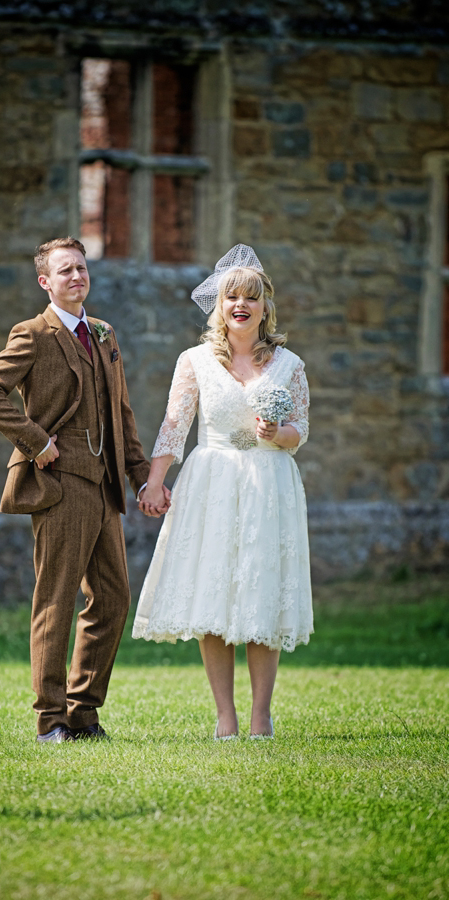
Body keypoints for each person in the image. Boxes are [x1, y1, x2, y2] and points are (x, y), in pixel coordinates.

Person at [0, 237, 170, 743]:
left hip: (104, 490)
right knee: (55, 601)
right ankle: (50, 720)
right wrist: (36, 443)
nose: (76, 276)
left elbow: (120, 413)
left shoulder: (103, 333)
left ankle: (83, 713)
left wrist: (140, 473)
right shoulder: (33, 334)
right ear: (46, 281)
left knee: (113, 600)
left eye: (81, 268)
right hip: (60, 485)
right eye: (65, 271)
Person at [133, 244, 313, 739]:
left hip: (268, 482)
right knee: (214, 595)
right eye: (231, 296)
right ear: (219, 305)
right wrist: (155, 480)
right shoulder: (193, 361)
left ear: (264, 308)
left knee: (261, 594)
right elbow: (174, 426)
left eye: (251, 298)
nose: (241, 305)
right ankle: (225, 717)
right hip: (211, 483)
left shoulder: (289, 365)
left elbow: (300, 431)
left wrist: (278, 434)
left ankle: (261, 715)